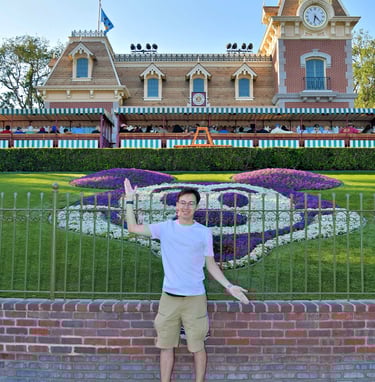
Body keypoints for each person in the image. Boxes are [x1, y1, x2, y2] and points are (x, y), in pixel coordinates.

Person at [123, 178, 249, 382]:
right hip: (169, 298)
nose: (185, 207)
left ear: (196, 207)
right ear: (176, 205)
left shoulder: (203, 233)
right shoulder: (165, 228)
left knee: (197, 347)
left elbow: (211, 264)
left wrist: (229, 286)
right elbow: (132, 228)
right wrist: (129, 200)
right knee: (166, 346)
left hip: (195, 299)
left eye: (190, 203)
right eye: (182, 202)